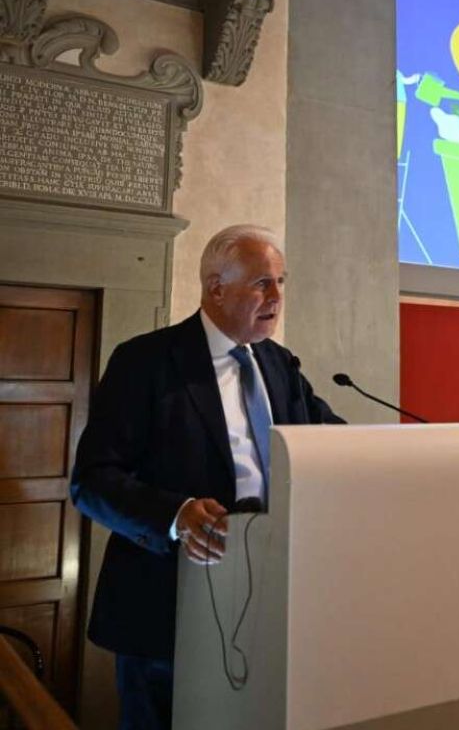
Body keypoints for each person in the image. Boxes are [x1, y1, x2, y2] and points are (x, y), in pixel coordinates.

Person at [70, 225, 344, 729]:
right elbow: (92, 480)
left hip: (266, 599)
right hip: (165, 605)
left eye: (281, 281)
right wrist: (174, 516)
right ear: (216, 288)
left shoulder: (279, 364)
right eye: (262, 283)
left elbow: (332, 441)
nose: (277, 296)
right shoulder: (146, 361)